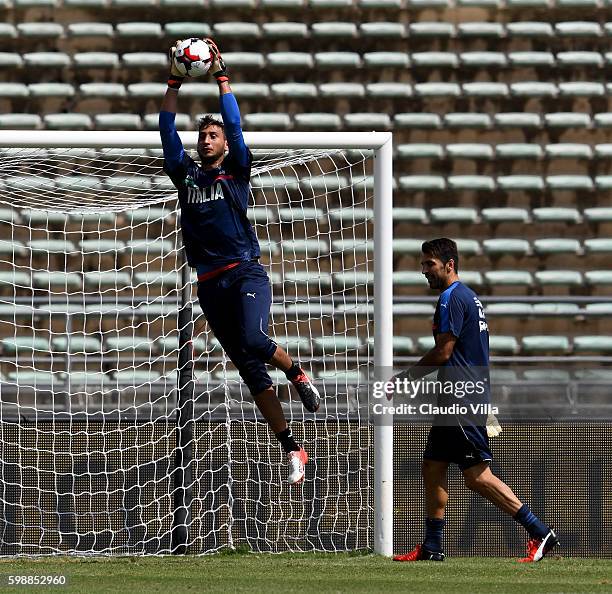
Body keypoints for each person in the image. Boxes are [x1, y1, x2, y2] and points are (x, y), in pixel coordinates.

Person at [159, 39, 320, 485]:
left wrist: (221, 78)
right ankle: (293, 449)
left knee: (254, 337)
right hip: (209, 283)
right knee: (251, 374)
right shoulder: (185, 174)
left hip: (244, 271)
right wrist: (173, 80)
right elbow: (165, 129)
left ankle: (297, 372)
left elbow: (233, 121)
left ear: (227, 145)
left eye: (213, 136)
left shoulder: (237, 170)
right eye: (202, 136)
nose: (206, 140)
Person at [393, 238, 558, 563]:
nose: (424, 270)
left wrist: (403, 379)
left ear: (449, 264)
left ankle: (540, 532)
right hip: (459, 396)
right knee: (433, 466)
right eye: (423, 264)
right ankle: (432, 546)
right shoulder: (468, 296)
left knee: (477, 475)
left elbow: (444, 351)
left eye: (430, 264)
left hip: (460, 399)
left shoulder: (451, 298)